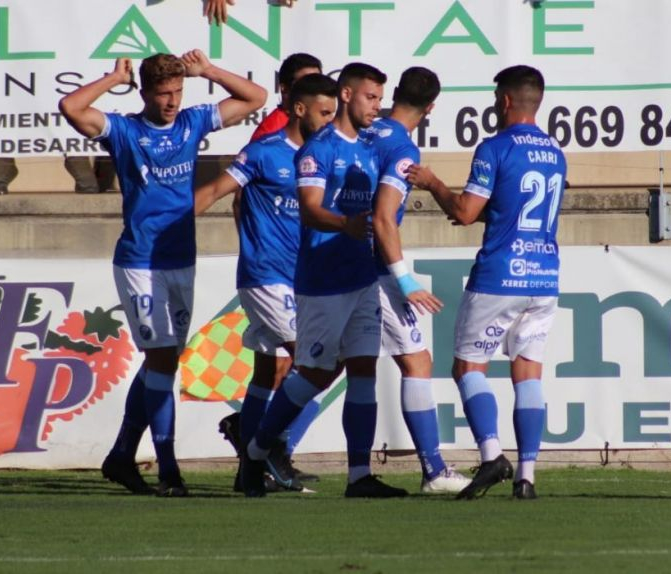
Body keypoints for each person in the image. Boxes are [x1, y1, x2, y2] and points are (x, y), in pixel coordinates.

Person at [59, 51, 267, 496]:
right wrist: (112, 78)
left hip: (181, 260)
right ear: (145, 93)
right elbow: (71, 107)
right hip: (140, 262)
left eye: (177, 91)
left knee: (164, 362)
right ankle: (168, 468)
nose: (172, 101)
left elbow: (255, 97)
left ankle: (121, 456)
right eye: (163, 93)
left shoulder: (192, 123)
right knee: (160, 361)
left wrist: (209, 70)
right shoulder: (125, 131)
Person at [241, 62, 406, 499]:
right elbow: (311, 209)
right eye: (370, 96)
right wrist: (344, 224)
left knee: (364, 370)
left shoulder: (368, 150)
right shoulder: (319, 148)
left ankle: (359, 476)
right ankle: (255, 453)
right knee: (313, 373)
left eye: (380, 98)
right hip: (323, 282)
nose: (377, 106)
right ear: (346, 95)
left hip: (362, 279)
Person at [408, 65, 566, 500]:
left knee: (467, 367)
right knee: (527, 371)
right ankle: (527, 477)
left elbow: (465, 211)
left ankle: (493, 455)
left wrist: (432, 183)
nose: (495, 105)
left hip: (501, 273)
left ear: (506, 100)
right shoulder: (555, 152)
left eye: (497, 98)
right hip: (544, 276)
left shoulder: (495, 147)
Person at [195, 73, 339, 492]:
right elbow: (215, 191)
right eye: (324, 113)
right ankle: (272, 443)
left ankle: (248, 468)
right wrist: (164, 226)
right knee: (314, 362)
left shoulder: (325, 156)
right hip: (266, 277)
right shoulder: (263, 153)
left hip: (302, 278)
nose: (330, 121)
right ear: (300, 109)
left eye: (334, 113)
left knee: (268, 371)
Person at [364, 67, 470, 494]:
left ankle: (265, 444)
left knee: (329, 366)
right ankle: (434, 470)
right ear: (431, 108)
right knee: (417, 361)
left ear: (393, 95)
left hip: (340, 261)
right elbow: (383, 216)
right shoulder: (402, 148)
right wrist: (404, 279)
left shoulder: (365, 130)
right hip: (376, 266)